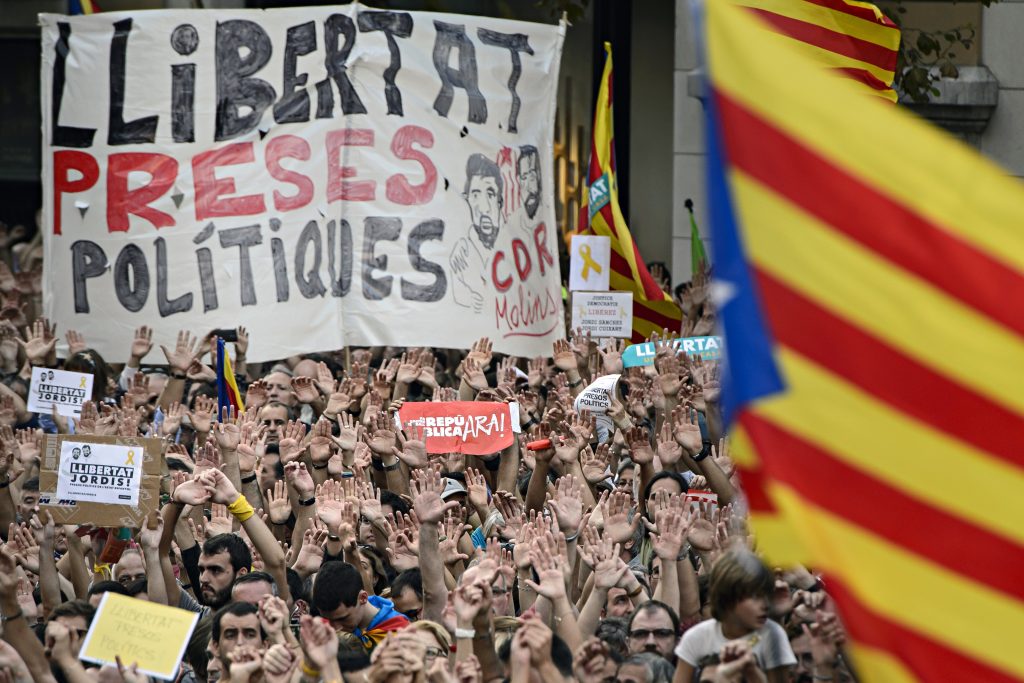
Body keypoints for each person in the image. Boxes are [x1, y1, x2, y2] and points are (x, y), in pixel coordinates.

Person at [673, 549, 796, 683]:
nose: (765, 605)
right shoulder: (696, 637)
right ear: (728, 597)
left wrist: (752, 671)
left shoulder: (774, 635)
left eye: (767, 596)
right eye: (755, 597)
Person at [312, 561, 409, 650]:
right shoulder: (322, 631)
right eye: (328, 620)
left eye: (343, 619)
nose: (335, 628)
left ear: (363, 598)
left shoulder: (400, 630)